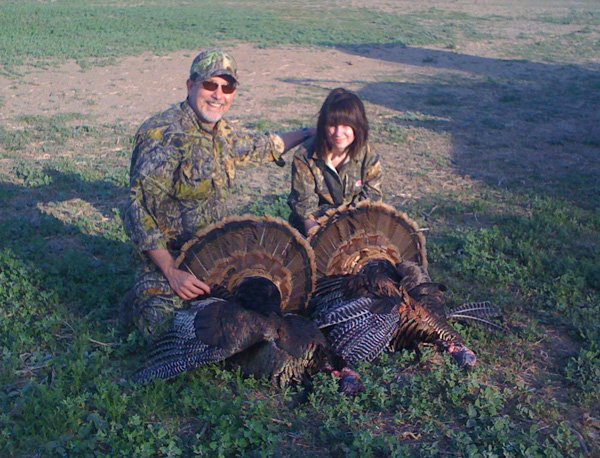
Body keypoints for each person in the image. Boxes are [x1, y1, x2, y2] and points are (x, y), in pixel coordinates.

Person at [123, 49, 313, 340]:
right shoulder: (162, 135)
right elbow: (138, 211)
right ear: (191, 86)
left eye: (228, 87)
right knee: (165, 329)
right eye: (210, 85)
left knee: (258, 316)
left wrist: (311, 131)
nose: (218, 94)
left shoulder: (222, 132)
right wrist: (172, 272)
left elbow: (262, 146)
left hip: (216, 258)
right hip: (170, 260)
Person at [288, 88, 383, 236]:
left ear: (358, 126)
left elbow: (371, 200)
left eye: (346, 125)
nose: (338, 133)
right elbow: (305, 208)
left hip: (356, 227)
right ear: (323, 126)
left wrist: (352, 236)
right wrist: (318, 237)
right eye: (332, 125)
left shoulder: (368, 155)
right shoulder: (304, 156)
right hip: (314, 229)